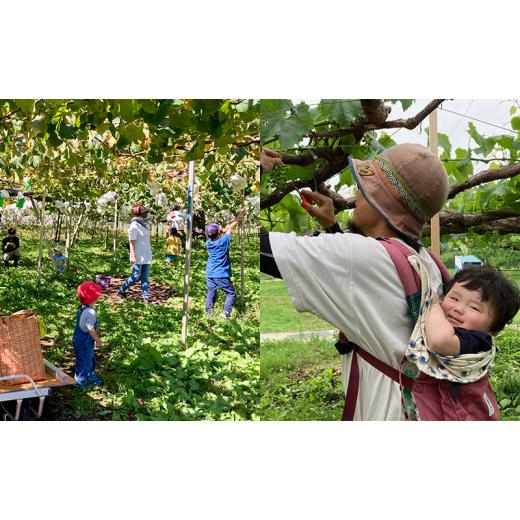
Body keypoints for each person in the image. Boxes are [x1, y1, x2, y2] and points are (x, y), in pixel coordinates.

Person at [260, 144, 451, 420]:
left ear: (381, 203)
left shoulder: (360, 257)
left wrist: (254, 173)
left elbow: (252, 249)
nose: (357, 193)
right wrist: (332, 229)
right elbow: (361, 284)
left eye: (366, 187)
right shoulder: (424, 260)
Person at [205, 208, 246, 318]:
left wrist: (221, 230)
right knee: (231, 293)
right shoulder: (223, 242)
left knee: (211, 292)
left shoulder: (208, 243)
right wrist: (240, 216)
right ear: (219, 232)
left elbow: (225, 229)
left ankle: (209, 313)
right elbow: (231, 228)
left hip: (210, 273)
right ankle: (225, 313)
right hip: (221, 273)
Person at [119, 204, 153, 303]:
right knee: (135, 276)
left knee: (145, 277)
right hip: (137, 255)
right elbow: (131, 242)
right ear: (138, 212)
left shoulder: (145, 224)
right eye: (143, 210)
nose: (145, 212)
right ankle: (122, 289)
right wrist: (133, 256)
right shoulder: (134, 225)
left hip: (146, 254)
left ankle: (145, 297)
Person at [73, 281, 103, 387]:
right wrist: (98, 340)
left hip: (79, 338)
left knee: (89, 358)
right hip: (84, 341)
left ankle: (89, 374)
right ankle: (80, 381)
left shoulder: (83, 307)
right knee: (84, 360)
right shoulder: (91, 312)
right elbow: (90, 329)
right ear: (93, 297)